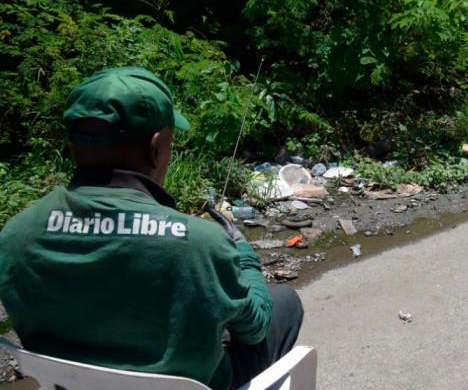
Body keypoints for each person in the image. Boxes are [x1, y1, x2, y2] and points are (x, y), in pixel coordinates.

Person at [0, 67, 303, 389]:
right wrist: (245, 256)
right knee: (283, 301)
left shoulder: (15, 235)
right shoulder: (203, 243)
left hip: (70, 382)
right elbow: (254, 327)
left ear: (74, 146)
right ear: (156, 147)